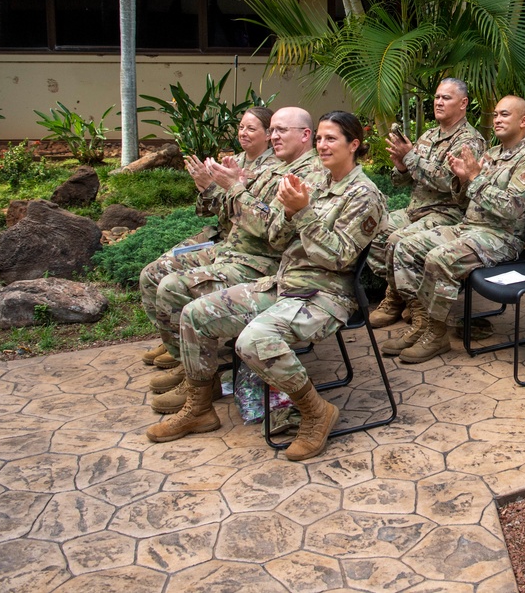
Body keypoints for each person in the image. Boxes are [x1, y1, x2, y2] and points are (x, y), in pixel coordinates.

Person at [146, 111, 387, 462]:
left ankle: (316, 412)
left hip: (326, 294)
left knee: (254, 341)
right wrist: (286, 213)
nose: (322, 145)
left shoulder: (365, 195)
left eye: (331, 138)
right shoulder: (313, 182)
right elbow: (274, 238)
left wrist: (302, 213)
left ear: (354, 144)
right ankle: (199, 409)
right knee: (194, 314)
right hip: (283, 282)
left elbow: (338, 259)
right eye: (319, 138)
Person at [139, 108, 322, 400]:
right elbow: (230, 215)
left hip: (262, 264)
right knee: (154, 274)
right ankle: (189, 364)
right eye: (272, 130)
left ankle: (199, 379)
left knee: (173, 288)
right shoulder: (277, 168)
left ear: (305, 135)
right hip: (233, 249)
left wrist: (234, 188)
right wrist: (214, 189)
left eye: (279, 130)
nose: (273, 136)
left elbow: (271, 232)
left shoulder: (306, 174)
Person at [383, 95, 525, 363]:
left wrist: (473, 178)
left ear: (524, 121)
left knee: (441, 259)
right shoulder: (491, 155)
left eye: (504, 114)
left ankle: (436, 336)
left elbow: (510, 209)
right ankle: (423, 322)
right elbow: (465, 200)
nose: (497, 119)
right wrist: (462, 181)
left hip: (501, 238)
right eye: (495, 114)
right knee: (405, 246)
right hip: (468, 228)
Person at [139, 107, 276, 372]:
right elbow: (210, 212)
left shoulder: (271, 169)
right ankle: (172, 337)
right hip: (223, 239)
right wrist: (204, 187)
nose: (243, 133)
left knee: (171, 282)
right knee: (153, 271)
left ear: (268, 135)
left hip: (243, 248)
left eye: (251, 128)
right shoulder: (234, 161)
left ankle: (185, 356)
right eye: (240, 127)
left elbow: (249, 218)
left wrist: (214, 187)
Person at [367, 78, 486, 329]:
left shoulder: (469, 141)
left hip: (447, 214)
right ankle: (405, 295)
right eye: (437, 97)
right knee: (372, 231)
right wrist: (401, 166)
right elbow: (405, 180)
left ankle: (409, 302)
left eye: (446, 98)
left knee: (396, 241)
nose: (438, 102)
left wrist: (410, 157)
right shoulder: (429, 135)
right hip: (416, 210)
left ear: (463, 103)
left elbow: (449, 182)